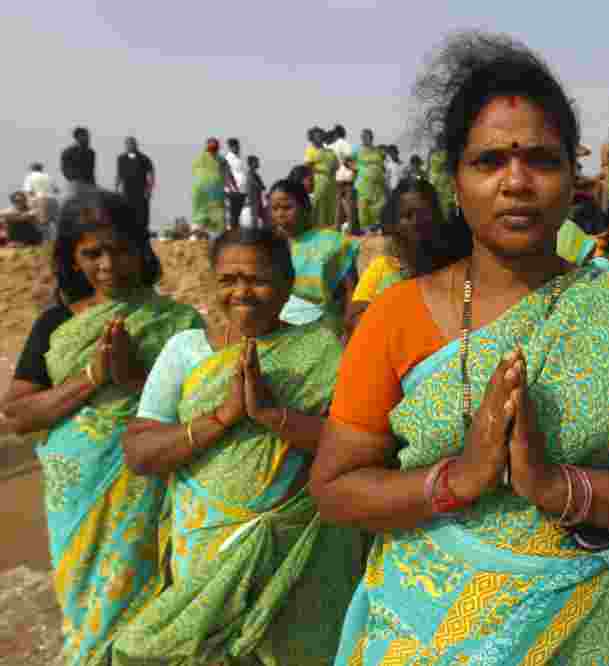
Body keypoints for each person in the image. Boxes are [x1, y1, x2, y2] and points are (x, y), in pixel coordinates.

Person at [311, 32, 609, 666]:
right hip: (425, 634)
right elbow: (335, 488)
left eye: (542, 161)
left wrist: (560, 488)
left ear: (573, 178)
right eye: (490, 161)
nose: (517, 182)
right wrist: (457, 479)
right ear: (456, 180)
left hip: (579, 627)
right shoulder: (397, 316)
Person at [111, 228, 359, 665]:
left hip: (298, 553)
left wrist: (270, 416)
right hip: (208, 553)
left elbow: (354, 446)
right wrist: (221, 419)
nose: (242, 292)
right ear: (212, 284)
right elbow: (139, 452)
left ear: (286, 284)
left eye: (257, 279)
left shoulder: (323, 350)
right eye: (228, 279)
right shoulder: (184, 351)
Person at [0, 190, 203, 665]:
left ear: (139, 248)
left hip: (149, 484)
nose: (108, 264)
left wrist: (134, 379)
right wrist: (91, 377)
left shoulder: (179, 324)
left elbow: (199, 412)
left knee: (148, 608)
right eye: (93, 253)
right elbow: (17, 414)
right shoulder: (55, 324)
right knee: (87, 610)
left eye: (119, 249)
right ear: (73, 257)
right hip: (78, 495)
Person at [348, 178, 465, 330]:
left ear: (437, 218)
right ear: (394, 224)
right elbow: (354, 318)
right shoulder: (382, 268)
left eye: (424, 214)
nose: (416, 222)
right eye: (407, 216)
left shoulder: (453, 270)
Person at [267, 179, 358, 337]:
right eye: (275, 209)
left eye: (287, 207)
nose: (280, 214)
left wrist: (349, 331)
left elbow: (352, 290)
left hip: (324, 331)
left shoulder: (333, 243)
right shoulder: (269, 247)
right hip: (280, 332)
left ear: (306, 207)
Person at [190, 138, 235, 235]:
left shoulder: (199, 159)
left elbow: (195, 174)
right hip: (214, 190)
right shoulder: (221, 159)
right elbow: (228, 174)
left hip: (199, 191)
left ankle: (197, 232)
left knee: (200, 218)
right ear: (217, 149)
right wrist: (232, 188)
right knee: (218, 220)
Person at [115, 137, 155, 231]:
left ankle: (142, 232)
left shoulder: (144, 158)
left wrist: (149, 190)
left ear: (136, 145)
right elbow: (119, 175)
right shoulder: (121, 158)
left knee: (142, 215)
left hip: (141, 191)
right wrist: (116, 189)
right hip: (127, 191)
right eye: (128, 144)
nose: (130, 146)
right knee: (127, 213)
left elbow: (151, 175)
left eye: (132, 144)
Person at [304, 127, 340, 230]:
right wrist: (321, 170)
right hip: (318, 182)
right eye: (316, 135)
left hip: (331, 184)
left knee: (331, 209)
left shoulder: (330, 151)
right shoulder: (310, 150)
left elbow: (336, 166)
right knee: (319, 208)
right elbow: (308, 166)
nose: (319, 136)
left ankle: (330, 231)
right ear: (312, 137)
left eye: (320, 134)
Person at [354, 129, 387, 232]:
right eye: (363, 136)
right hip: (364, 184)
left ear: (371, 137)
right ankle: (366, 233)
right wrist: (358, 169)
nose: (365, 138)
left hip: (378, 186)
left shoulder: (378, 150)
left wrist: (380, 171)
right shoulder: (357, 150)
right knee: (364, 209)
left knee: (379, 208)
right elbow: (347, 161)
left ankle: (378, 230)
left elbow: (383, 165)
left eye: (367, 136)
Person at [328, 124, 356, 229]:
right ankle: (351, 227)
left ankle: (337, 226)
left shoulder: (330, 146)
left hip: (335, 178)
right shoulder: (343, 143)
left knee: (338, 204)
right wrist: (354, 170)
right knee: (348, 203)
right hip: (345, 177)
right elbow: (348, 158)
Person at [61, 127, 97, 195]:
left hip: (90, 186)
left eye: (88, 136)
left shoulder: (91, 152)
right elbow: (65, 170)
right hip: (75, 186)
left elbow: (91, 171)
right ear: (77, 137)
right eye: (85, 136)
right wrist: (76, 181)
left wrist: (93, 186)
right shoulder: (68, 152)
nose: (88, 138)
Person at [427, 143, 456, 221]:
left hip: (447, 185)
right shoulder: (434, 156)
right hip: (440, 186)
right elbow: (433, 169)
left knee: (450, 207)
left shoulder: (446, 153)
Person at [223, 138, 246, 230]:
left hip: (240, 191)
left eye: (238, 146)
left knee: (237, 215)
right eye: (236, 146)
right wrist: (232, 188)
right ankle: (232, 233)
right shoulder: (228, 158)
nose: (238, 148)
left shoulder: (237, 158)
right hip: (233, 192)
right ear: (231, 147)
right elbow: (227, 174)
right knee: (233, 215)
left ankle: (235, 231)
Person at [242, 154, 266, 228]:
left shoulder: (255, 175)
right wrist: (260, 186)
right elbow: (258, 185)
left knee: (263, 217)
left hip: (257, 199)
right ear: (252, 163)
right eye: (256, 162)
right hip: (253, 200)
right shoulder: (250, 174)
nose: (258, 163)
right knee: (255, 218)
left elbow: (262, 186)